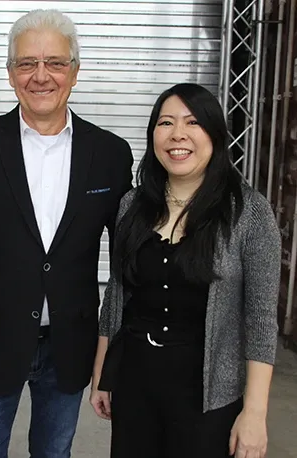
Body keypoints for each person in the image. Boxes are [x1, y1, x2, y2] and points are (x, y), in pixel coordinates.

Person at [0, 9, 133, 458]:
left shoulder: (110, 154)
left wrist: (114, 360)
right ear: (10, 73)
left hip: (69, 349)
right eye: (26, 63)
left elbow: (128, 265)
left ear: (75, 71)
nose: (41, 76)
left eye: (54, 62)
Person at [90, 83, 281, 458]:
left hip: (207, 396)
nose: (178, 134)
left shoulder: (249, 213)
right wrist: (102, 373)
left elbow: (261, 320)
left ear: (215, 135)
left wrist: (255, 413)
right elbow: (116, 293)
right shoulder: (133, 205)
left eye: (193, 122)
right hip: (134, 386)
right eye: (166, 123)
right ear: (153, 136)